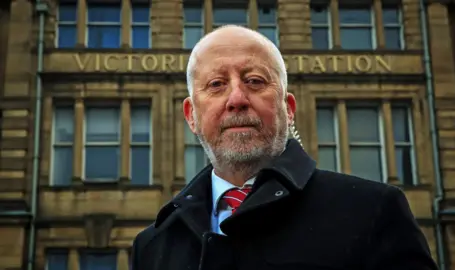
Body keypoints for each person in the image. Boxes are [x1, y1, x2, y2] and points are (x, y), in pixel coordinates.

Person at [130, 25, 438, 270]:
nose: (236, 98)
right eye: (216, 85)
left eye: (254, 81)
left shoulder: (375, 211)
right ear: (191, 116)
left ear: (288, 108)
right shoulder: (153, 244)